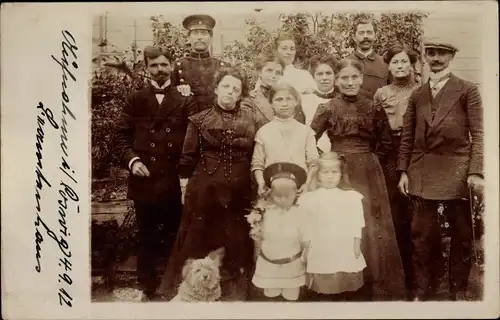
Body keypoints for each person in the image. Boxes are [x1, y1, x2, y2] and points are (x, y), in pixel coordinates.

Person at [157, 67, 267, 301]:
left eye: (236, 89)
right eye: (226, 86)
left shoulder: (251, 120)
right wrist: (186, 190)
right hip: (205, 192)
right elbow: (187, 159)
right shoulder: (199, 119)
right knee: (198, 239)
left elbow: (256, 154)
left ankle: (233, 292)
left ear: (241, 95)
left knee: (236, 241)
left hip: (238, 193)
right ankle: (191, 292)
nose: (230, 92)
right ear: (216, 89)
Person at [310, 58, 405, 301]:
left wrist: (371, 159)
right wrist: (328, 161)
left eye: (354, 77)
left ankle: (372, 282)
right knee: (340, 223)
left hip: (368, 171)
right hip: (338, 172)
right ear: (336, 80)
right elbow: (309, 140)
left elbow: (385, 142)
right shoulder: (327, 107)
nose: (349, 82)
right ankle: (339, 280)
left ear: (361, 79)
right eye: (344, 78)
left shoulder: (373, 107)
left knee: (370, 225)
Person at [397, 38, 484, 301]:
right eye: (431, 53)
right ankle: (424, 290)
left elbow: (479, 134)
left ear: (451, 57)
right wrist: (403, 171)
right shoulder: (417, 94)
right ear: (424, 57)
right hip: (422, 172)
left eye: (441, 54)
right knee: (422, 235)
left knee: (461, 235)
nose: (435, 59)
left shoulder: (467, 90)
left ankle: (457, 290)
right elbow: (407, 137)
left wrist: (475, 171)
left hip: (457, 172)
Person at [113, 46, 196, 301]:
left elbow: (195, 136)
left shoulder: (185, 99)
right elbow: (119, 137)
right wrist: (132, 160)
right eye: (154, 65)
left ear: (171, 66)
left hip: (174, 178)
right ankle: (147, 285)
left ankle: (173, 285)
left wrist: (186, 173)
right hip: (145, 177)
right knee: (147, 232)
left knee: (175, 231)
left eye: (163, 64)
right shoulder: (136, 99)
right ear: (146, 68)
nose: (159, 69)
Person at [373, 42, 420, 298]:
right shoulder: (381, 93)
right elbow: (377, 127)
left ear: (412, 64)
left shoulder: (421, 91)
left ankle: (417, 278)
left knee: (416, 215)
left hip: (416, 153)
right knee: (394, 215)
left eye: (404, 61)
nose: (400, 66)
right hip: (390, 153)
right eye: (395, 62)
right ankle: (398, 278)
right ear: (389, 66)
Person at [298, 151, 366, 301]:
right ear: (319, 175)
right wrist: (308, 246)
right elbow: (307, 225)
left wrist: (356, 244)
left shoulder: (351, 197)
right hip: (321, 244)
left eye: (334, 172)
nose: (330, 176)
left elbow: (357, 223)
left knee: (343, 272)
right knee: (324, 275)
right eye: (325, 172)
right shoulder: (310, 198)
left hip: (343, 243)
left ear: (341, 174)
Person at [249, 162, 310, 301]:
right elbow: (258, 237)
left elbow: (306, 239)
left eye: (287, 196)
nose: (282, 200)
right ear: (271, 193)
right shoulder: (265, 213)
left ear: (296, 194)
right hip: (269, 265)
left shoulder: (299, 213)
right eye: (278, 195)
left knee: (291, 296)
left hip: (292, 265)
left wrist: (307, 257)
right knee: (271, 295)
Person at [251, 83, 319, 197]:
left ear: (296, 102)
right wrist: (261, 184)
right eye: (279, 99)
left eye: (289, 99)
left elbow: (313, 162)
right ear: (271, 104)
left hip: (301, 189)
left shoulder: (306, 131)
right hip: (272, 190)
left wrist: (307, 184)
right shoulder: (263, 132)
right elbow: (257, 164)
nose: (285, 104)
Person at [171, 14, 229, 114]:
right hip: (186, 121)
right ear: (188, 38)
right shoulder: (178, 65)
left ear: (211, 37)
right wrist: (177, 90)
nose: (199, 37)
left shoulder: (223, 66)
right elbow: (168, 97)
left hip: (216, 120)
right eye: (195, 33)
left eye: (203, 33)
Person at [250, 52, 306, 124]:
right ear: (260, 72)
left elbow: (299, 125)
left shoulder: (292, 96)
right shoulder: (251, 98)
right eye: (269, 71)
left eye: (277, 73)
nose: (273, 76)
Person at [301, 55, 338, 153]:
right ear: (313, 76)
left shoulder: (342, 99)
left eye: (328, 73)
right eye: (320, 74)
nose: (324, 78)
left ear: (335, 75)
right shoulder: (304, 100)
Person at [348, 19, 388, 100]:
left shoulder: (385, 63)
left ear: (375, 36)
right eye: (361, 33)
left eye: (369, 32)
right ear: (354, 37)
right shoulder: (345, 63)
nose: (365, 36)